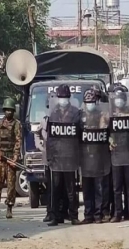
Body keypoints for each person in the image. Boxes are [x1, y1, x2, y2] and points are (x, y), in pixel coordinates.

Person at [44, 84, 81, 226]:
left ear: (69, 98)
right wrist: (49, 156)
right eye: (61, 97)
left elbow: (79, 134)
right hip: (57, 157)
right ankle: (55, 216)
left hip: (70, 157)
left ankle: (73, 215)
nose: (63, 99)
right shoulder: (53, 113)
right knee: (55, 189)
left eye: (64, 97)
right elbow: (49, 137)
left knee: (71, 190)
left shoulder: (75, 112)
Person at [36, 92, 69, 223]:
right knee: (51, 187)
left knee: (65, 187)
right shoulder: (45, 120)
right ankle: (50, 212)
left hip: (64, 157)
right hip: (49, 158)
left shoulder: (63, 118)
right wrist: (41, 147)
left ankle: (64, 211)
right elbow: (37, 134)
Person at [79, 89, 110, 224]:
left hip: (99, 156)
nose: (89, 104)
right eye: (87, 102)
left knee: (99, 189)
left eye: (92, 102)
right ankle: (88, 215)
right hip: (85, 158)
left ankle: (98, 215)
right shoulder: (80, 117)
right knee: (87, 189)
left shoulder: (101, 115)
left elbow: (105, 130)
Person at [108, 86, 129, 222]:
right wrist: (109, 140)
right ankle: (117, 213)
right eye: (117, 99)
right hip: (116, 154)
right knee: (116, 187)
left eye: (121, 99)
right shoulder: (110, 115)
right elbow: (106, 133)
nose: (119, 102)